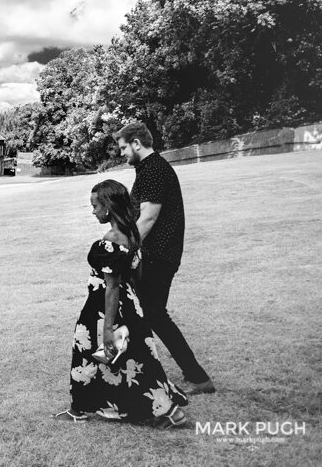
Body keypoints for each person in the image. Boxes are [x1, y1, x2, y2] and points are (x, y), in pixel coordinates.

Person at [57, 179, 188, 427]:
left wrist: (107, 327)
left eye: (95, 206)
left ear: (107, 207)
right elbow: (134, 277)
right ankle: (166, 409)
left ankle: (79, 409)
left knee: (85, 353)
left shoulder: (110, 240)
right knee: (138, 357)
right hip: (129, 305)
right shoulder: (133, 235)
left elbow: (112, 286)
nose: (93, 211)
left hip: (101, 308)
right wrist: (133, 309)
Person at [114, 123, 215, 395]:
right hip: (154, 254)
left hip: (158, 255)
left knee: (154, 314)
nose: (121, 153)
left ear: (136, 143)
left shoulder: (154, 170)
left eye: (123, 147)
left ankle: (197, 377)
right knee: (147, 314)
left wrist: (124, 249)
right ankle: (138, 371)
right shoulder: (148, 170)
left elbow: (147, 218)